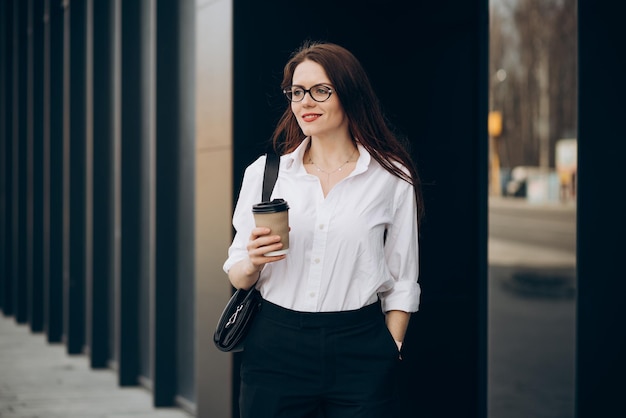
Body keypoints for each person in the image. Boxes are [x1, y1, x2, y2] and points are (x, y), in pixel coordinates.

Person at [223, 40, 424, 418]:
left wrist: (391, 344)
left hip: (360, 346)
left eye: (320, 90)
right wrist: (252, 260)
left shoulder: (392, 177)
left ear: (350, 94)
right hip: (276, 345)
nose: (305, 102)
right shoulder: (266, 174)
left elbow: (402, 277)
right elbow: (237, 273)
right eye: (297, 92)